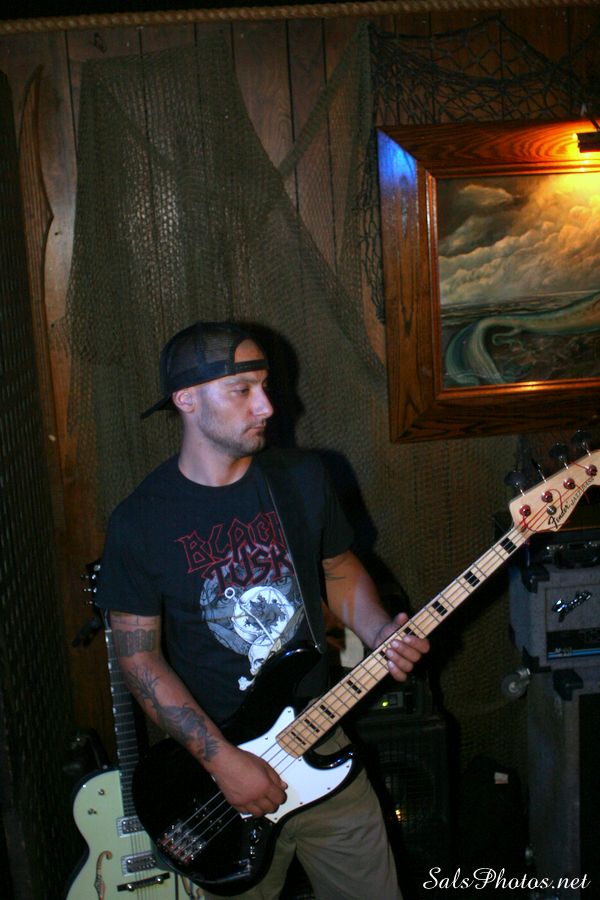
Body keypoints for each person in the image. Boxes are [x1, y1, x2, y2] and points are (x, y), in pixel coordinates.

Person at [95, 321, 430, 900]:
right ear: (186, 399)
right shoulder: (139, 521)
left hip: (322, 737)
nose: (268, 406)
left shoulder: (301, 478)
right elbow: (139, 659)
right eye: (242, 390)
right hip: (214, 774)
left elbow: (338, 568)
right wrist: (222, 762)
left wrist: (378, 628)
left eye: (266, 386)